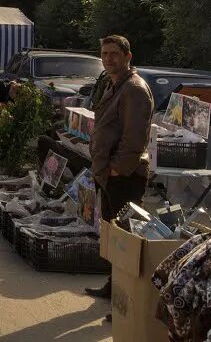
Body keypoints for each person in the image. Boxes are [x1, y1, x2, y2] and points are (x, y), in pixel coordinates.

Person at [84, 34, 154, 304]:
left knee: (127, 241)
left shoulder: (134, 89)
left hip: (124, 177)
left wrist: (116, 170)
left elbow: (134, 139)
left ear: (128, 56)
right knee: (115, 239)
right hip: (109, 174)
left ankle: (128, 304)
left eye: (114, 54)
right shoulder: (115, 85)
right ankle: (114, 289)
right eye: (104, 54)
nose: (108, 59)